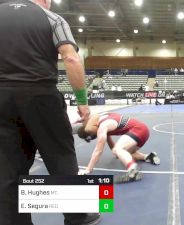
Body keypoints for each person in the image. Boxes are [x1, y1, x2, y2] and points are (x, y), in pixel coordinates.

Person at [0, 0, 101, 225]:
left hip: (2, 98)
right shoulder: (51, 18)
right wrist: (83, 103)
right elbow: (71, 57)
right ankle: (78, 217)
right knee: (61, 157)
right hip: (40, 94)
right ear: (46, 1)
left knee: (8, 167)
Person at [77, 112, 160, 183]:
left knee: (118, 149)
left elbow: (98, 150)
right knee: (121, 153)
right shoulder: (104, 116)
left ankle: (132, 169)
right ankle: (148, 157)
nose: (94, 137)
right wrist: (115, 151)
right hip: (143, 131)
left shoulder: (102, 127)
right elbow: (114, 150)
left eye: (92, 136)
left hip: (138, 130)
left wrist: (88, 169)